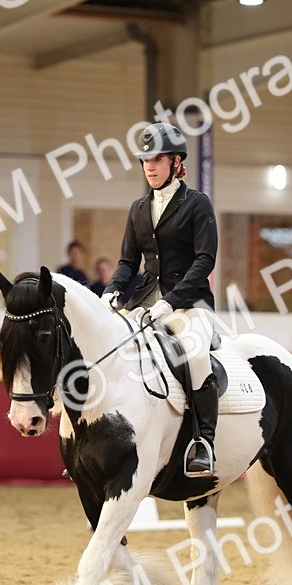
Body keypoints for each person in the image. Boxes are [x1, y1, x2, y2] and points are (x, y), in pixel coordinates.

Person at [101, 123, 219, 478]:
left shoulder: (196, 204)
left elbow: (205, 260)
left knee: (195, 356)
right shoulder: (139, 208)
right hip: (145, 302)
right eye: (145, 161)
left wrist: (172, 300)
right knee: (110, 352)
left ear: (175, 162)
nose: (149, 167)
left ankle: (204, 442)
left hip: (190, 304)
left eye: (157, 160)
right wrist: (111, 291)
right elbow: (127, 262)